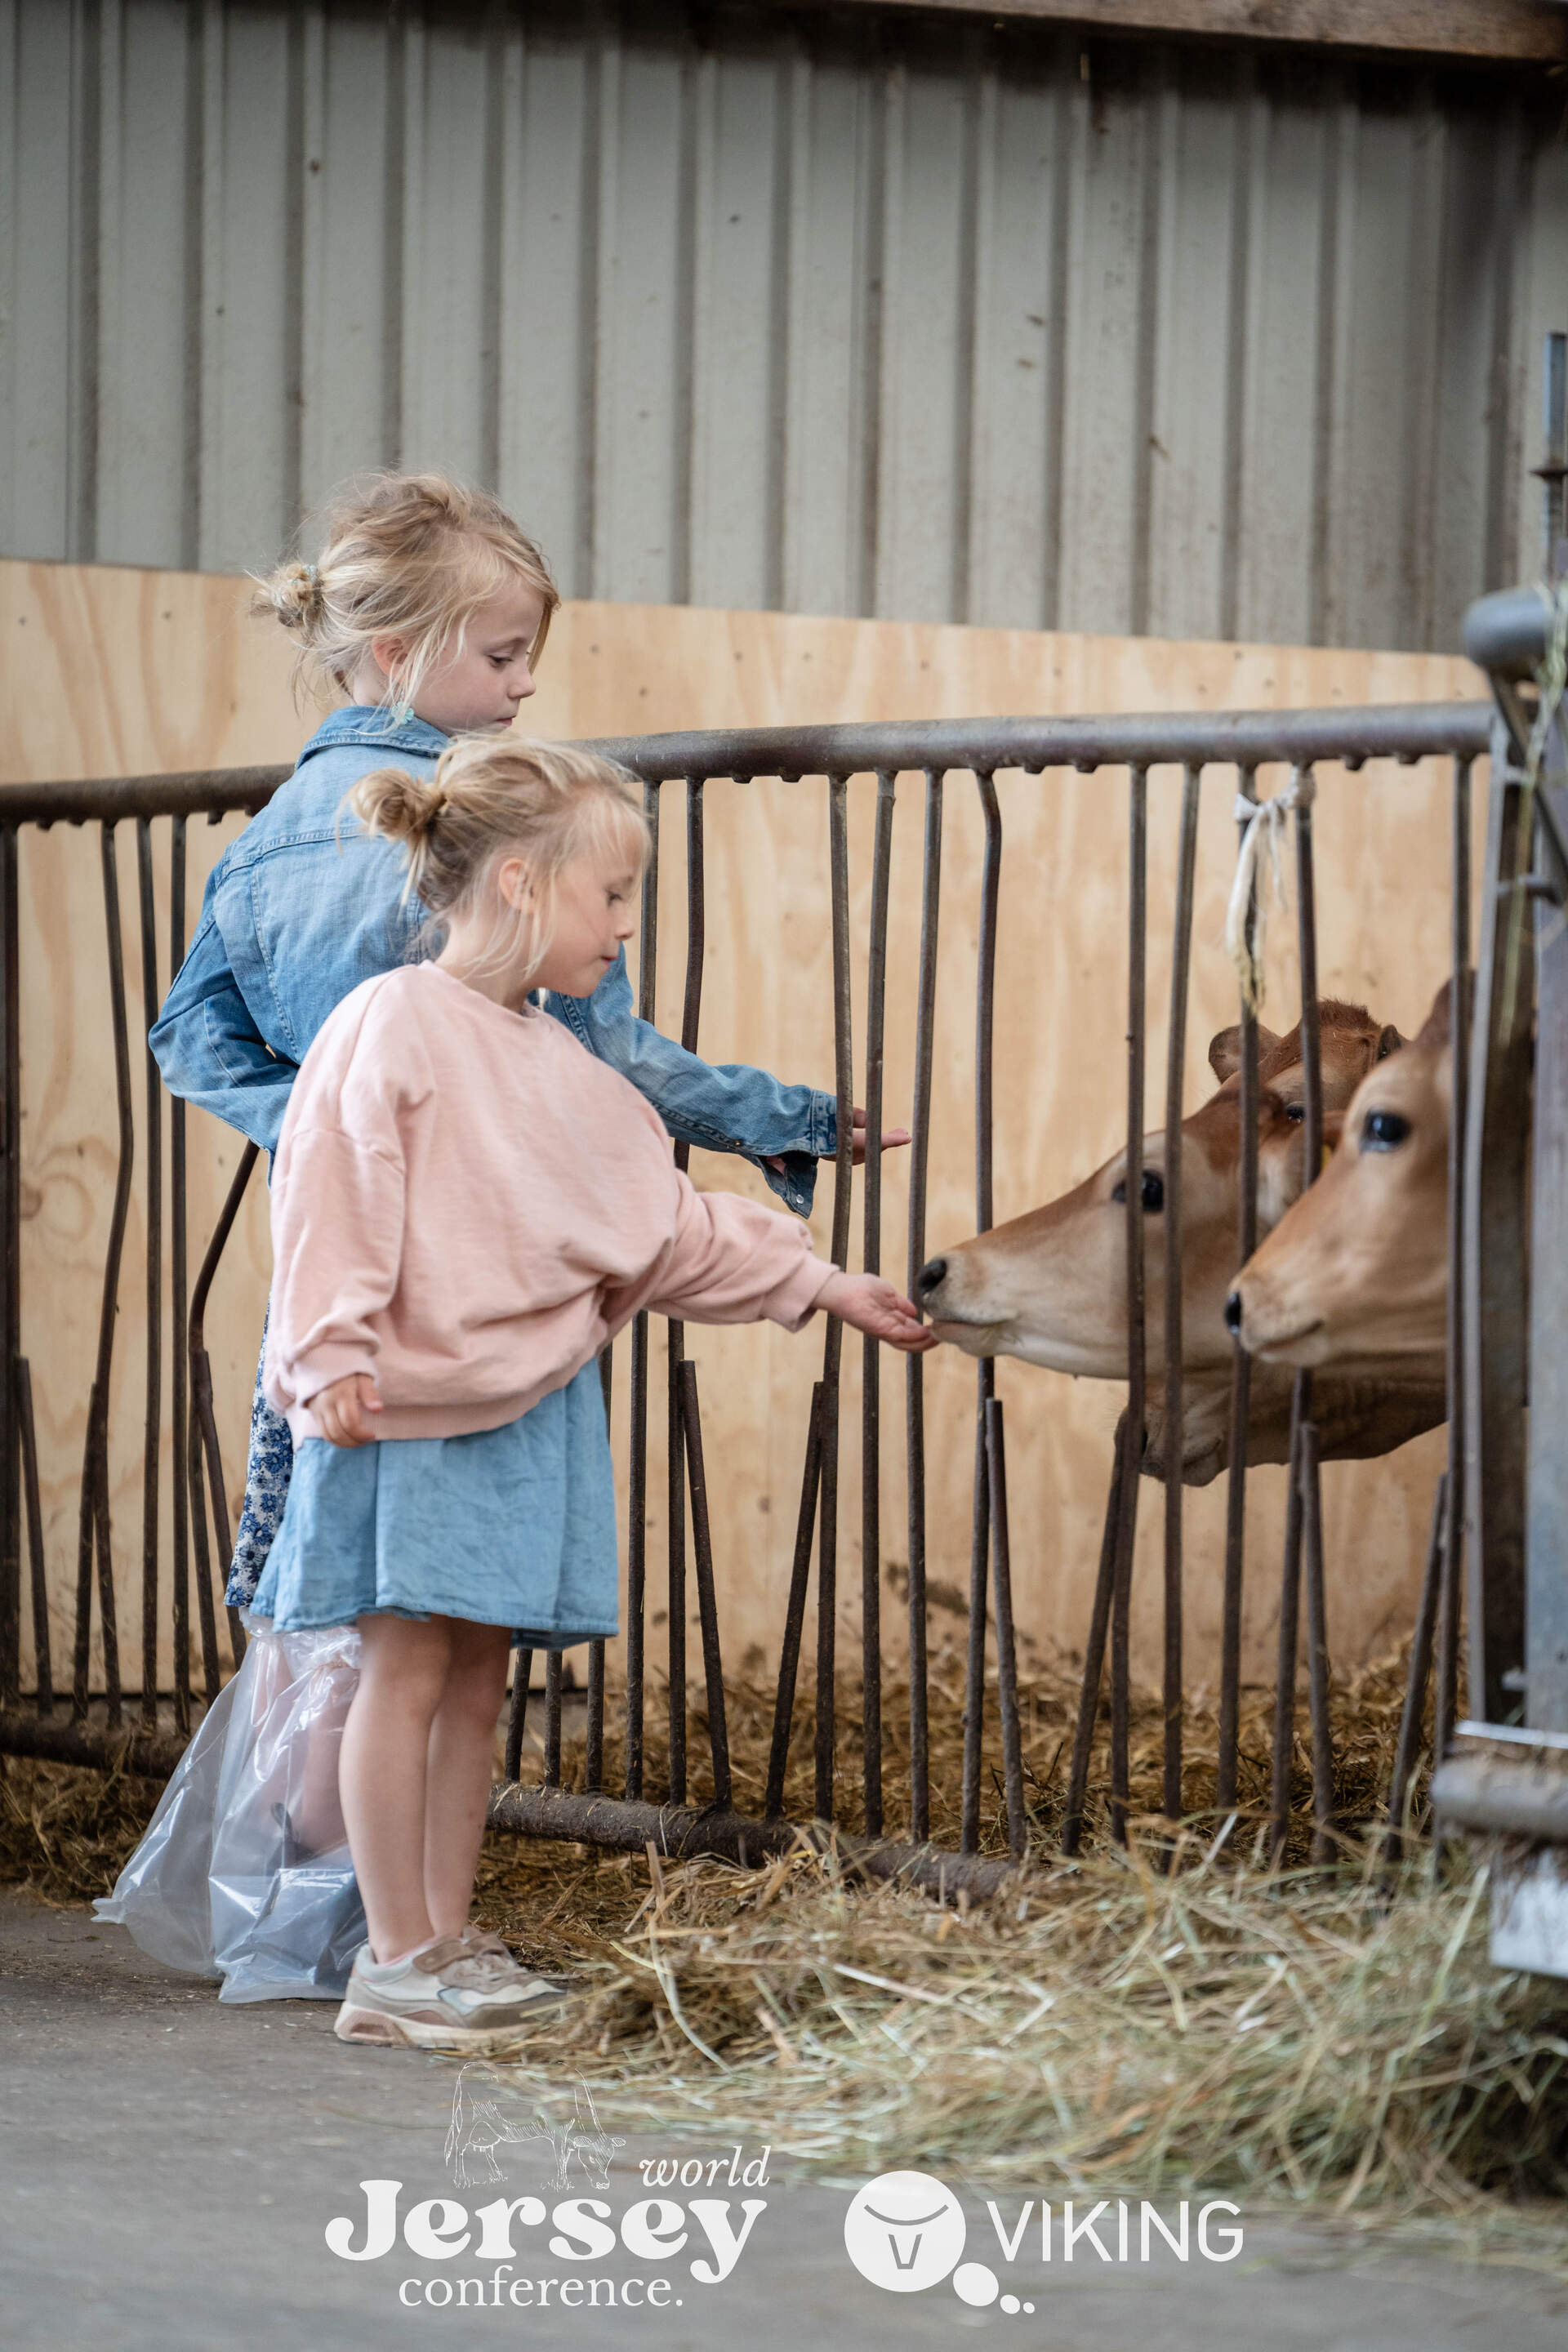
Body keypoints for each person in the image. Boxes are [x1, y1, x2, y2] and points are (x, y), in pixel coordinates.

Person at [254, 734, 931, 2052]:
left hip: (526, 1408)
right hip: (406, 1404)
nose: (624, 928)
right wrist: (328, 1351)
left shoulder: (566, 1065)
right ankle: (396, 1960)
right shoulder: (393, 1022)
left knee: (478, 1677)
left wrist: (823, 1283)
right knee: (404, 1667)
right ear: (518, 882)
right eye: (608, 896)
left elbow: (664, 1230)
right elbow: (331, 1187)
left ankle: (447, 1941)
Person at [149, 470, 906, 1616]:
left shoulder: (266, 841)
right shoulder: (494, 834)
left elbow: (187, 1038)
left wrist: (319, 1122)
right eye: (502, 657)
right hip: (478, 1282)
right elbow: (607, 1060)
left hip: (336, 1289)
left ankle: (306, 1795)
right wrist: (786, 1118)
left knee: (325, 1599)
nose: (527, 682)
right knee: (440, 1613)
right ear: (399, 652)